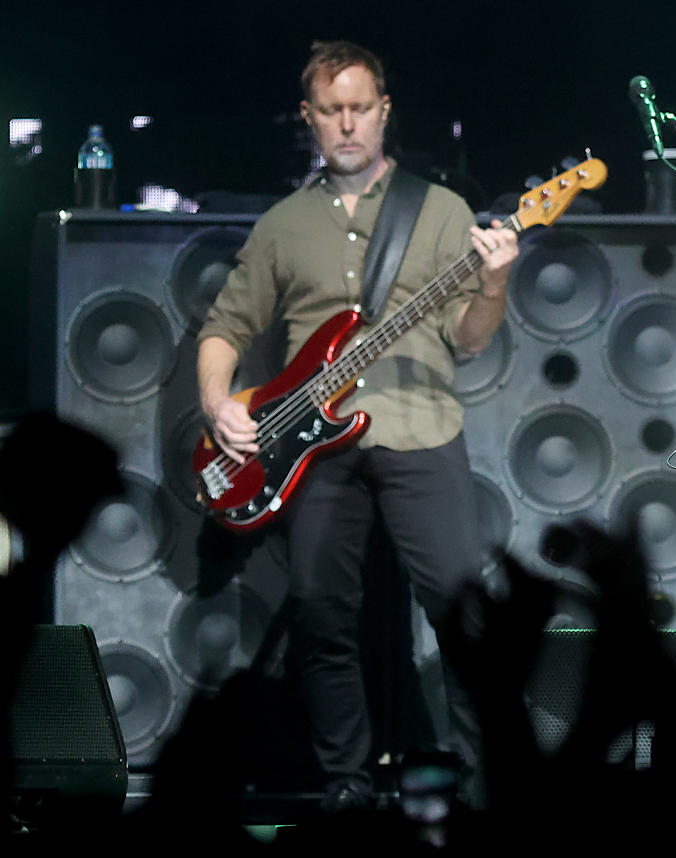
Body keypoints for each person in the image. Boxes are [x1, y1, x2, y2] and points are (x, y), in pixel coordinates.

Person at [196, 40, 518, 811]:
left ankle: (478, 795)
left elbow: (468, 341)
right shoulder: (283, 224)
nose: (348, 125)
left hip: (420, 428)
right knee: (319, 611)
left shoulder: (437, 210)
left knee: (461, 609)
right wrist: (218, 404)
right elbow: (226, 325)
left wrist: (496, 281)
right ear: (309, 119)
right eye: (332, 111)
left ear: (384, 113)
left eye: (360, 109)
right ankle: (346, 783)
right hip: (311, 448)